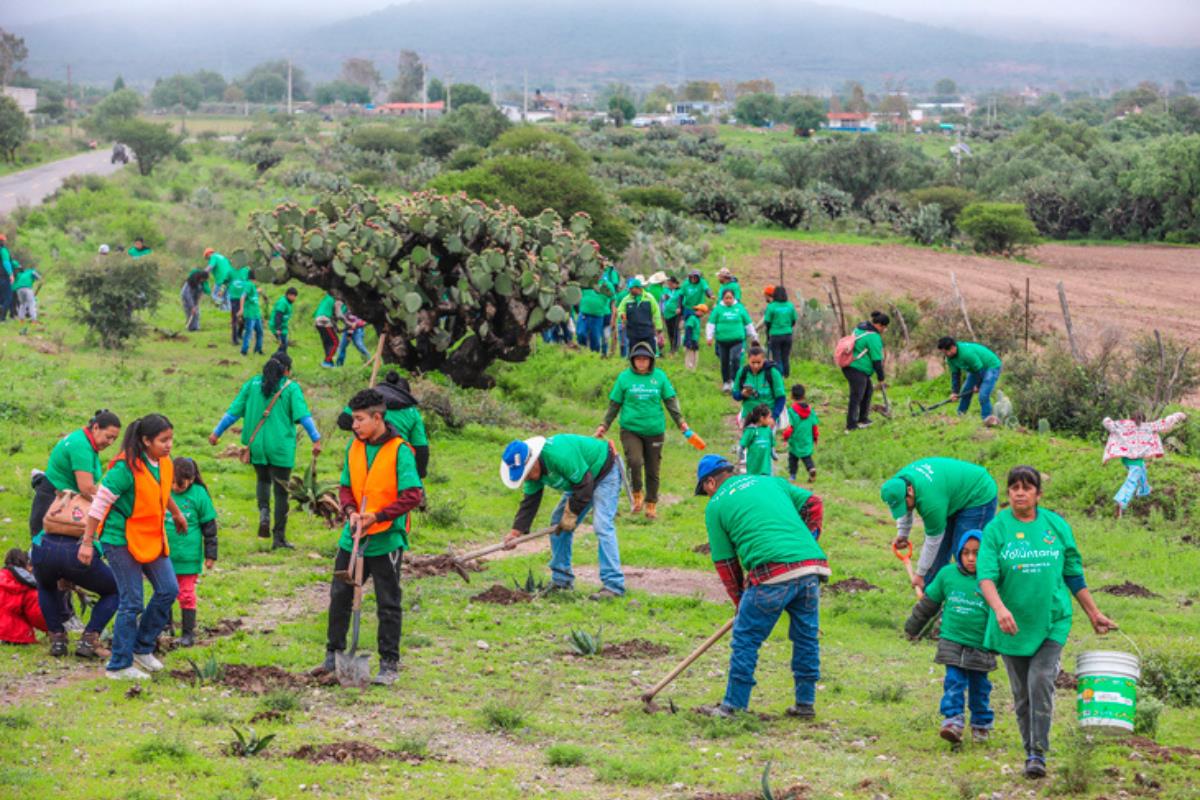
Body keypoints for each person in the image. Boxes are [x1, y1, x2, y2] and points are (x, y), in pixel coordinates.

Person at [977, 465, 1117, 779]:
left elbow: (1072, 573)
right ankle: (1030, 749)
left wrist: (1093, 613)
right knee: (1022, 693)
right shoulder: (997, 529)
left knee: (1040, 680)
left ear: (1038, 493)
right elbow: (985, 576)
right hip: (1011, 624)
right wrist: (999, 609)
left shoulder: (1056, 526)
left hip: (1053, 619)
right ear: (1008, 493)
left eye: (1027, 488)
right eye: (1014, 488)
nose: (1020, 493)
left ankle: (1038, 753)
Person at [695, 454, 828, 718]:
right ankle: (805, 704)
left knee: (746, 638)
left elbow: (726, 563)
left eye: (705, 491)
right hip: (811, 568)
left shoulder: (716, 505)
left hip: (771, 573)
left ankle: (733, 705)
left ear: (710, 483)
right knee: (806, 637)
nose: (707, 496)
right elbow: (814, 503)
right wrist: (809, 539)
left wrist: (740, 602)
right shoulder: (771, 482)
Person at [312, 389, 423, 686]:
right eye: (353, 419)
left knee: (388, 602)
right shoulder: (354, 446)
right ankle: (333, 654)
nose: (355, 425)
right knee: (339, 595)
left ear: (378, 418)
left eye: (360, 419)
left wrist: (378, 516)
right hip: (353, 535)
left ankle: (389, 663)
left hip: (386, 537)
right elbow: (346, 486)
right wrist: (349, 511)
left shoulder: (400, 451)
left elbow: (413, 495)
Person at [81, 414, 183, 680]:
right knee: (132, 602)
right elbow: (99, 505)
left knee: (168, 589)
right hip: (120, 539)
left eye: (171, 439)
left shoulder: (163, 463)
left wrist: (177, 513)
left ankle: (142, 647)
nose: (169, 445)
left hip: (151, 536)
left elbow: (160, 491)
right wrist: (87, 542)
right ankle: (119, 665)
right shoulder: (125, 469)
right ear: (146, 440)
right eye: (163, 440)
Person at [209, 353, 323, 549]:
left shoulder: (253, 385)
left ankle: (264, 513)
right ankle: (278, 538)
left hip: (257, 446)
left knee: (262, 480)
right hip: (280, 447)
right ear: (286, 370)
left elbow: (233, 412)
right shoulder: (290, 388)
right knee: (281, 492)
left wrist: (216, 433)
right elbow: (304, 416)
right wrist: (316, 438)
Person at [30, 409, 122, 633]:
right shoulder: (81, 445)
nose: (110, 442)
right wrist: (116, 500)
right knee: (54, 570)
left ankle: (59, 627)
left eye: (114, 439)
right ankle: (63, 621)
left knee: (55, 570)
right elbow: (87, 488)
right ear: (96, 428)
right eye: (108, 436)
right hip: (55, 508)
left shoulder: (86, 442)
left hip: (65, 506)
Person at [501, 434, 625, 600]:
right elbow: (530, 503)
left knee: (602, 525)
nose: (528, 477)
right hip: (580, 480)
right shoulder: (532, 474)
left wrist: (571, 514)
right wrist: (515, 533)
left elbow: (585, 485)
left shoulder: (559, 455)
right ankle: (562, 581)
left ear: (534, 459)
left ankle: (613, 586)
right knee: (557, 524)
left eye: (527, 472)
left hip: (605, 471)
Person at [904, 530, 997, 745]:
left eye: (977, 553)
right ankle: (953, 722)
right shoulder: (947, 575)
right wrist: (913, 627)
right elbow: (928, 604)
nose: (971, 558)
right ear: (959, 553)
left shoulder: (994, 579)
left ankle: (981, 724)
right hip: (952, 641)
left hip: (982, 645)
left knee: (980, 687)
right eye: (966, 553)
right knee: (954, 682)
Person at [595, 341, 695, 519]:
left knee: (653, 468)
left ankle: (651, 504)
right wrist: (604, 425)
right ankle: (637, 494)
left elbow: (670, 401)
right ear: (632, 360)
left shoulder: (660, 377)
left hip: (655, 430)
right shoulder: (624, 378)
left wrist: (681, 422)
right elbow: (614, 404)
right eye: (638, 359)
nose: (641, 363)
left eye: (645, 359)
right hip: (630, 429)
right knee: (634, 461)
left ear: (651, 360)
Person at [880, 457, 998, 596]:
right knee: (937, 558)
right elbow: (905, 508)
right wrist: (902, 534)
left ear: (910, 490)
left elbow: (932, 541)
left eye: (904, 504)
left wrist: (919, 574)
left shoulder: (930, 502)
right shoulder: (897, 484)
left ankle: (969, 604)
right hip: (950, 495)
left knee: (966, 554)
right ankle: (931, 603)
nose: (904, 509)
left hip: (977, 493)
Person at [165, 458, 218, 648]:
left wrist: (211, 555)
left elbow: (209, 527)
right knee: (164, 592)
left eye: (179, 484)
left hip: (188, 557)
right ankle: (165, 626)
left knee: (186, 594)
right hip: (164, 555)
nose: (175, 487)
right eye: (171, 482)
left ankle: (188, 634)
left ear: (191, 479)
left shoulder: (199, 494)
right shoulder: (163, 491)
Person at [337, 372, 430, 479]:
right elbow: (421, 447)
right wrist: (419, 473)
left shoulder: (368, 403)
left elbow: (342, 422)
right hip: (397, 459)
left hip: (365, 457)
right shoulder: (412, 412)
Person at [1102, 411, 1186, 518]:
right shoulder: (1148, 427)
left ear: (1131, 418)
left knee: (1142, 470)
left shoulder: (1122, 425)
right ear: (1144, 419)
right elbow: (1166, 423)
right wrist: (1179, 415)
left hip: (1127, 459)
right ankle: (1121, 501)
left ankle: (1144, 490)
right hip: (1136, 460)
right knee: (1131, 481)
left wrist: (1107, 417)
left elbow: (1107, 422)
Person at [937, 337, 1003, 425]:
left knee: (983, 395)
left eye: (946, 352)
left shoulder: (966, 353)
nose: (946, 354)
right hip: (976, 369)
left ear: (953, 347)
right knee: (965, 392)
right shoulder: (950, 358)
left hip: (991, 366)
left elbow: (981, 369)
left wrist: (978, 385)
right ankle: (960, 415)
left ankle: (987, 419)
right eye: (943, 352)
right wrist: (955, 392)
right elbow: (955, 375)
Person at [842, 311, 888, 432]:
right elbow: (877, 361)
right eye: (885, 327)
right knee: (856, 396)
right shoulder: (874, 337)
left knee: (868, 391)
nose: (885, 329)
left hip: (851, 366)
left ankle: (863, 419)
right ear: (880, 325)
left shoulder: (861, 327)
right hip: (856, 368)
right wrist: (881, 377)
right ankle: (851, 425)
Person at [707, 289, 756, 392]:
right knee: (724, 361)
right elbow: (711, 324)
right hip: (722, 341)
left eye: (730, 298)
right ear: (722, 298)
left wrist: (754, 336)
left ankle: (735, 381)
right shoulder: (718, 309)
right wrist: (709, 337)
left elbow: (748, 323)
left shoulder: (740, 308)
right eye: (726, 298)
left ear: (734, 298)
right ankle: (726, 382)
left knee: (735, 359)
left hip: (737, 340)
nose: (728, 300)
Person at [0, 549, 47, 645]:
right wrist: (50, 628)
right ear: (28, 565)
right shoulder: (28, 587)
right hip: (13, 634)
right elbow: (36, 616)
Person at [732, 345, 786, 427]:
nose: (756, 366)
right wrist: (742, 394)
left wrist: (774, 417)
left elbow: (781, 397)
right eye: (753, 363)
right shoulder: (742, 372)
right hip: (748, 417)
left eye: (759, 362)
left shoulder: (773, 372)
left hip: (767, 418)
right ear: (748, 360)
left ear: (764, 359)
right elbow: (735, 395)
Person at [781, 384, 819, 482]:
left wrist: (785, 437)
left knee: (793, 458)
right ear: (804, 395)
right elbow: (814, 426)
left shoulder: (791, 411)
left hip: (795, 440)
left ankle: (792, 476)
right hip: (807, 439)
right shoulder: (811, 411)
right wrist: (815, 438)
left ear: (792, 396)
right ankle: (811, 469)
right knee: (807, 457)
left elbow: (790, 427)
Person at [616, 278, 664, 355]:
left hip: (647, 330)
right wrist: (622, 314)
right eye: (630, 289)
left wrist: (659, 328)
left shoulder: (649, 298)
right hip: (632, 332)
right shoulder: (626, 299)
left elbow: (656, 313)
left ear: (638, 288)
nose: (630, 290)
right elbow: (620, 310)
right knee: (633, 353)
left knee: (650, 351)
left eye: (632, 289)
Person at [763, 287, 797, 378]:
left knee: (776, 356)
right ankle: (786, 374)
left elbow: (767, 322)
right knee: (785, 356)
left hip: (775, 334)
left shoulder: (771, 306)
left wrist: (769, 331)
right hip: (787, 334)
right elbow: (794, 320)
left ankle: (779, 374)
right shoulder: (790, 306)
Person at [577, 277, 614, 354]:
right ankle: (582, 352)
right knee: (581, 333)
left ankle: (594, 356)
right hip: (583, 313)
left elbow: (613, 300)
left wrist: (613, 317)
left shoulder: (607, 284)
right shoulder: (586, 281)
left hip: (597, 316)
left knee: (595, 338)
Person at [739, 404, 775, 476]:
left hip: (766, 466)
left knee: (765, 481)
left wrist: (773, 454)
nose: (771, 420)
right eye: (769, 417)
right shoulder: (751, 430)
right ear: (762, 418)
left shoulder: (768, 430)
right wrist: (742, 459)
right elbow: (742, 446)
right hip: (753, 466)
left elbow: (771, 444)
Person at [226, 265, 252, 346]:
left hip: (244, 298)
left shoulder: (246, 271)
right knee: (235, 318)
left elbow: (250, 282)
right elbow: (225, 282)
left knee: (245, 318)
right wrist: (221, 291)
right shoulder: (230, 271)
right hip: (234, 298)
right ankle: (234, 339)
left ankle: (239, 333)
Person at [239, 280, 265, 356]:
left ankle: (258, 349)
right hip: (250, 314)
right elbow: (243, 296)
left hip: (257, 314)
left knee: (260, 332)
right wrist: (241, 309)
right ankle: (244, 351)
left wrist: (257, 291)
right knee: (248, 332)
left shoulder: (253, 286)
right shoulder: (248, 284)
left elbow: (252, 295)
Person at [314, 292, 340, 368]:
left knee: (327, 343)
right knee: (335, 342)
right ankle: (327, 362)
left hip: (318, 320)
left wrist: (335, 327)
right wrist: (348, 324)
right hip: (325, 320)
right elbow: (339, 315)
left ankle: (330, 362)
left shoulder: (327, 298)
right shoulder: (339, 301)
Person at [181, 266, 209, 332]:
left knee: (196, 312)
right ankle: (190, 328)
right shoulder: (191, 282)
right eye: (204, 279)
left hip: (194, 297)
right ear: (201, 278)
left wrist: (198, 299)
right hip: (186, 296)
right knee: (190, 312)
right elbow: (187, 295)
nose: (204, 281)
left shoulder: (201, 282)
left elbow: (200, 291)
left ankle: (196, 328)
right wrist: (192, 306)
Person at [661, 275, 684, 354]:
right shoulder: (666, 290)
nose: (669, 285)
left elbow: (682, 302)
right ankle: (672, 348)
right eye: (668, 284)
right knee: (669, 331)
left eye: (671, 284)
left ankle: (675, 349)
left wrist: (680, 309)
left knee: (675, 331)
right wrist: (664, 297)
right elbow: (662, 299)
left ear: (675, 283)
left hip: (675, 314)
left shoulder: (680, 291)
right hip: (667, 314)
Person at [683, 304, 705, 370]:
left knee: (696, 357)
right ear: (698, 311)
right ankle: (689, 370)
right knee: (690, 356)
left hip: (695, 340)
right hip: (690, 340)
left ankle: (693, 370)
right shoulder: (692, 318)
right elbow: (688, 330)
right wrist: (688, 342)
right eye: (702, 312)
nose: (703, 314)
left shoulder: (697, 319)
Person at [0, 233, 12, 323]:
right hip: (3, 277)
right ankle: (2, 318)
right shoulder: (3, 250)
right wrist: (11, 274)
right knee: (8, 297)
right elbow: (6, 263)